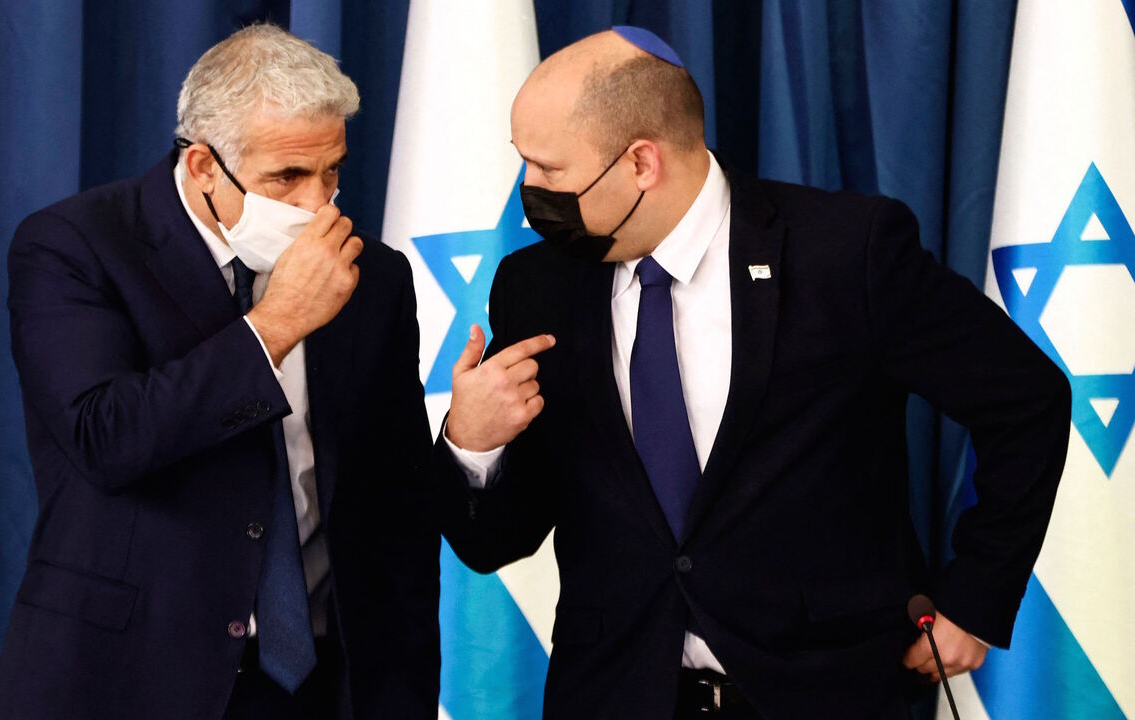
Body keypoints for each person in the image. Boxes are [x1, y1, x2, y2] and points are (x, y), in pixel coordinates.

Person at [435, 27, 1070, 719]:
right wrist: (472, 444)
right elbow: (496, 541)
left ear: (642, 162)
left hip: (823, 699)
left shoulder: (845, 252)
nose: (528, 191)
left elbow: (1026, 400)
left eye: (548, 169)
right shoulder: (536, 285)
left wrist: (976, 596)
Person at [0, 24, 438, 720]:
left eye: (332, 171)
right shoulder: (75, 245)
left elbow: (393, 506)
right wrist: (275, 326)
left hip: (323, 684)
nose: (319, 205)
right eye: (288, 177)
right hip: (132, 678)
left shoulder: (371, 275)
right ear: (203, 166)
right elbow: (106, 437)